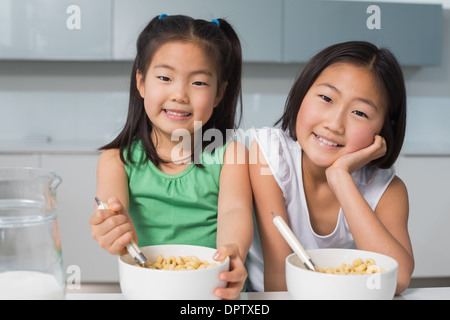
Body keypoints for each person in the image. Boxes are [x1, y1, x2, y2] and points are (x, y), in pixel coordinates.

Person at [89, 14, 252, 299]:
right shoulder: (116, 161)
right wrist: (111, 229)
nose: (179, 94)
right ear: (141, 82)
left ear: (218, 95)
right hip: (149, 289)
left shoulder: (231, 156)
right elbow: (113, 214)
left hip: (214, 290)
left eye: (199, 83)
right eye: (165, 78)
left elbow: (234, 211)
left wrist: (231, 253)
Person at [247, 41, 414, 295]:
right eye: (326, 98)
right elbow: (279, 276)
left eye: (360, 113)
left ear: (383, 127)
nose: (335, 124)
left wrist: (340, 176)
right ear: (302, 92)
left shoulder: (387, 189)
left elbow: (398, 278)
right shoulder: (269, 154)